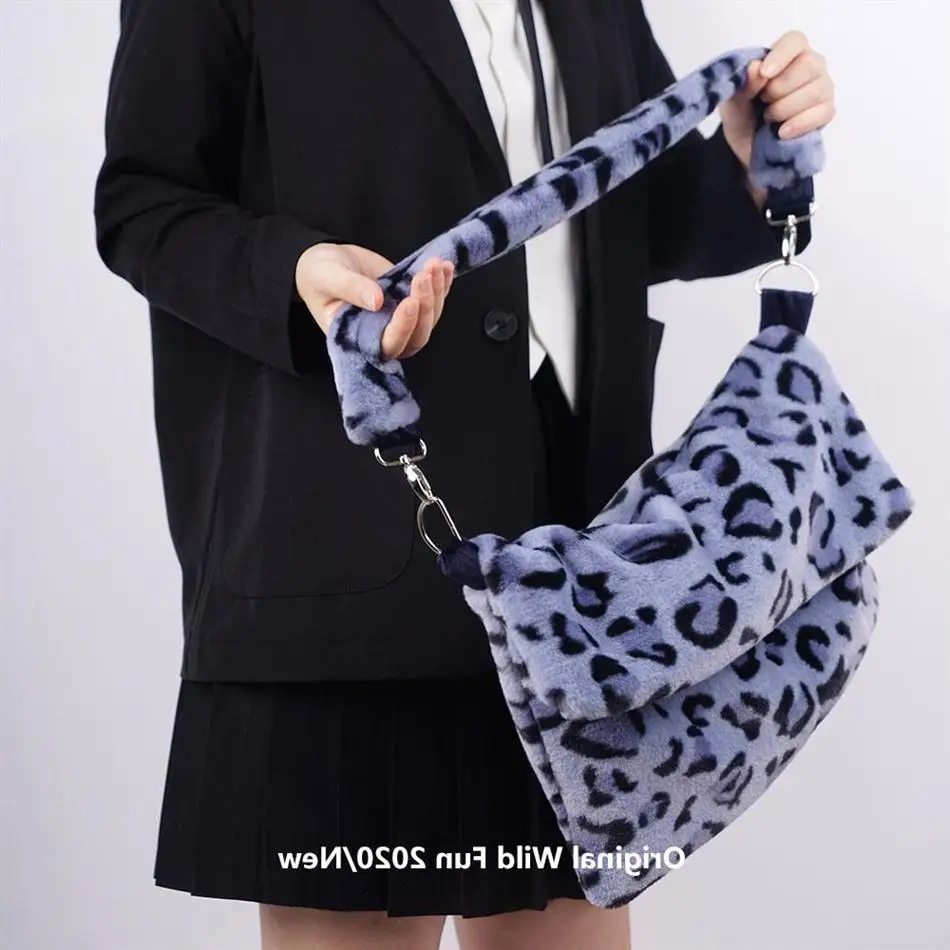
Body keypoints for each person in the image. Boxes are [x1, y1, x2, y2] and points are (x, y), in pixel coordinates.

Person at [93, 1, 835, 948]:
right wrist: (296, 270)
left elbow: (620, 216)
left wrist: (743, 163)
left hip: (580, 578)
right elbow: (145, 205)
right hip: (346, 556)